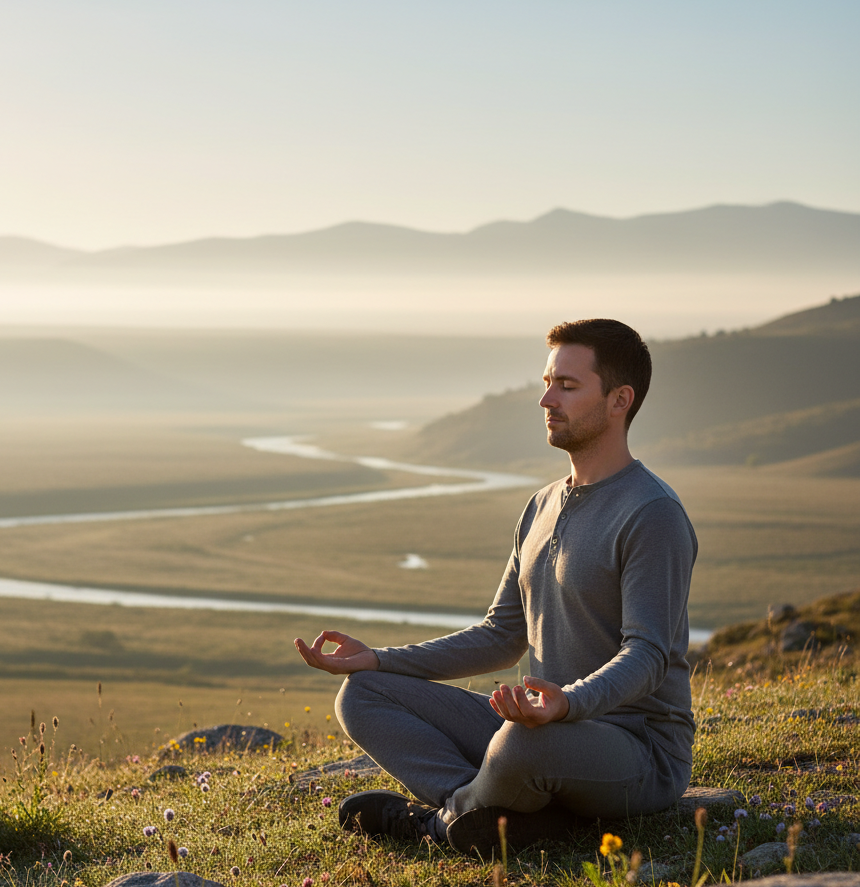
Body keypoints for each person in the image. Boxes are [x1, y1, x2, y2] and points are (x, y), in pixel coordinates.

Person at [294, 319, 697, 856]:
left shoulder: (652, 514)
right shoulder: (541, 504)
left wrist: (567, 705)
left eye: (567, 386)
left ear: (620, 399)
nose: (545, 398)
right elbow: (501, 634)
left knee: (517, 746)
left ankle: (442, 823)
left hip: (635, 751)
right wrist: (379, 661)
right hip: (541, 726)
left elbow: (647, 655)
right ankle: (506, 814)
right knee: (363, 695)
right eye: (548, 381)